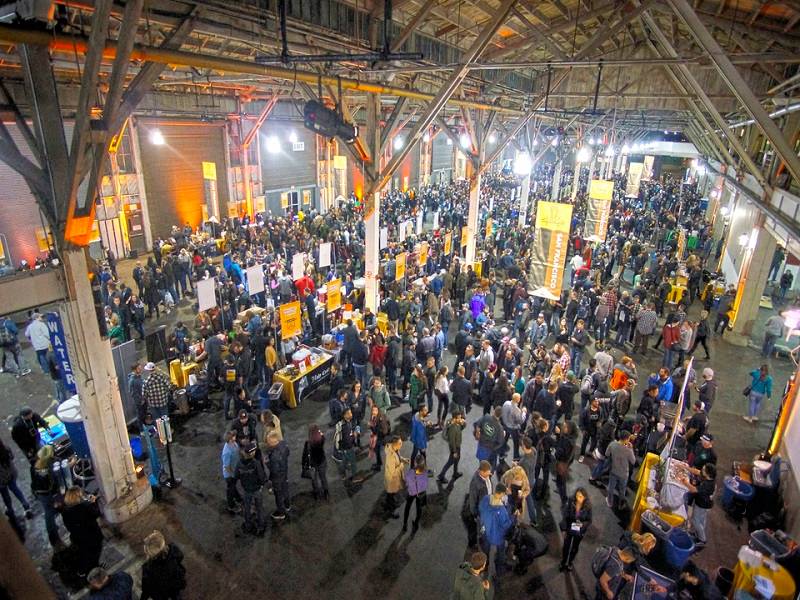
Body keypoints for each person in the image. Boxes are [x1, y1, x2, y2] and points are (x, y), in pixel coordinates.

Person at [61, 486, 104, 577]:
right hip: (93, 536)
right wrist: (93, 503)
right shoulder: (84, 506)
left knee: (85, 555)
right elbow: (96, 514)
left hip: (78, 539)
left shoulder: (65, 512)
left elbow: (68, 527)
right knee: (95, 554)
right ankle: (95, 571)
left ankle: (85, 571)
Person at [478, 483, 515, 579]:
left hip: (485, 531)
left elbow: (480, 508)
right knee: (500, 552)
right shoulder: (502, 510)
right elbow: (506, 524)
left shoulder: (486, 498)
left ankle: (485, 564)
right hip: (497, 536)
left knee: (486, 549)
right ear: (502, 494)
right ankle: (499, 569)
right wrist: (513, 516)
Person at [30, 445, 63, 548]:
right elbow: (53, 479)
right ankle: (54, 539)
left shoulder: (35, 464)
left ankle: (53, 534)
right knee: (49, 514)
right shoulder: (47, 467)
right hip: (47, 494)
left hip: (39, 493)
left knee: (48, 512)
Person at [140, 530, 187, 600]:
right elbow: (180, 559)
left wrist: (143, 598)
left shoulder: (148, 568)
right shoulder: (174, 552)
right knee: (176, 596)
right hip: (174, 586)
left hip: (161, 592)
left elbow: (146, 587)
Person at [235, 441, 266, 535]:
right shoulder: (256, 463)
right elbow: (261, 476)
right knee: (259, 508)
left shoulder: (239, 464)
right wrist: (261, 485)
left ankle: (248, 525)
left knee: (247, 508)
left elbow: (236, 476)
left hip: (246, 490)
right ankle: (261, 525)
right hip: (256, 490)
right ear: (252, 452)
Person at [681, 463, 716, 547]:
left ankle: (702, 540)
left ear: (708, 474)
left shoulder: (708, 485)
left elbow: (693, 490)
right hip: (705, 504)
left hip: (702, 505)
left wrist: (684, 482)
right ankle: (698, 534)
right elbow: (697, 471)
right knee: (701, 520)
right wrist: (685, 467)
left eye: (703, 470)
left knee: (695, 520)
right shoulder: (708, 477)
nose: (701, 471)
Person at [559, 487, 592, 571]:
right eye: (577, 496)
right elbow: (565, 515)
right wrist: (563, 529)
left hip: (579, 532)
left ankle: (569, 562)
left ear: (585, 497)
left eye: (581, 496)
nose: (578, 498)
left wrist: (582, 525)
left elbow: (589, 520)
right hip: (569, 528)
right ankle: (563, 562)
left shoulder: (588, 506)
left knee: (574, 547)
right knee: (566, 547)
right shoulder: (571, 501)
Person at [0, 437, 32, 519]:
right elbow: (12, 457)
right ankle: (25, 505)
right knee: (15, 489)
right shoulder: (5, 448)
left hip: (1, 479)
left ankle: (10, 510)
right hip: (10, 473)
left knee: (5, 495)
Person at [605, 430, 636, 510]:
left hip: (613, 470)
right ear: (626, 439)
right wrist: (631, 449)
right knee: (622, 490)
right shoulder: (628, 450)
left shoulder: (612, 444)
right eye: (629, 438)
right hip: (624, 474)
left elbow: (607, 454)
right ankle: (620, 504)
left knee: (611, 487)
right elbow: (633, 461)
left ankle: (609, 501)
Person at [467, 461, 494, 548]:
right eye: (488, 472)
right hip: (480, 511)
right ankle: (476, 541)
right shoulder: (475, 484)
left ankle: (483, 535)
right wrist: (475, 513)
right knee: (478, 527)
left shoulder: (486, 476)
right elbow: (473, 499)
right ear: (481, 472)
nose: (490, 473)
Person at [265, 430, 291, 520]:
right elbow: (288, 453)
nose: (267, 443)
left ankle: (281, 512)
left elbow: (274, 470)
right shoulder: (284, 444)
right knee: (285, 489)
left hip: (277, 478)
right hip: (284, 472)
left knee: (278, 495)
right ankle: (287, 505)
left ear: (273, 442)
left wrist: (267, 463)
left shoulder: (274, 456)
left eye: (268, 441)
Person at [383, 435, 408, 519]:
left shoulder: (395, 449)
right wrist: (401, 465)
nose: (402, 444)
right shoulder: (390, 456)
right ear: (394, 444)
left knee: (390, 494)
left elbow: (398, 457)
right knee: (392, 495)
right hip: (391, 480)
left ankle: (387, 505)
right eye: (400, 443)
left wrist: (403, 459)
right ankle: (391, 511)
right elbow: (393, 472)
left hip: (392, 479)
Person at [402, 455, 428, 533]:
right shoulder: (426, 471)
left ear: (415, 463)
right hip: (421, 493)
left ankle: (405, 524)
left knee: (408, 507)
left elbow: (406, 483)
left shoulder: (411, 473)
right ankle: (416, 524)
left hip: (412, 493)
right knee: (419, 509)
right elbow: (429, 476)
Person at [438, 409, 465, 484]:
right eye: (459, 418)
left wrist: (463, 423)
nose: (460, 419)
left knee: (457, 459)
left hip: (457, 446)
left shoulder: (457, 423)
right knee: (450, 461)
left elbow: (462, 428)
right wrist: (454, 452)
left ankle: (455, 473)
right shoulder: (452, 428)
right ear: (454, 418)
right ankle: (441, 475)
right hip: (455, 447)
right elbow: (452, 442)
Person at [303, 424, 329, 500]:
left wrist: (304, 464)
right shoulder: (321, 440)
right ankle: (326, 492)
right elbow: (323, 437)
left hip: (313, 464)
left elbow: (305, 455)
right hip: (322, 462)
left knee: (314, 480)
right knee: (323, 478)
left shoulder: (308, 443)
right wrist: (321, 434)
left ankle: (316, 493)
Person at [221, 431, 241, 514]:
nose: (235, 437)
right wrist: (232, 474)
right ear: (229, 440)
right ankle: (231, 505)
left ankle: (238, 497)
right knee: (230, 489)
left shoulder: (234, 444)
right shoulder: (226, 452)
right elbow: (226, 466)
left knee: (233, 486)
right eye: (233, 436)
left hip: (235, 470)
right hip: (230, 475)